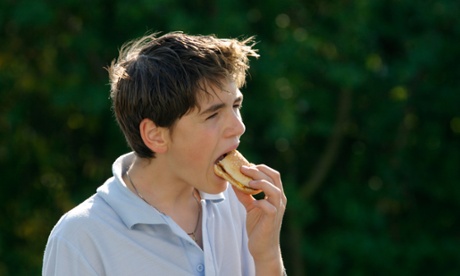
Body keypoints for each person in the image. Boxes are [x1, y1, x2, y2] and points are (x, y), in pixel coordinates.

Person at [42, 31, 287, 276]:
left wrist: (267, 256)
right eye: (212, 115)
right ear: (156, 135)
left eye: (236, 106)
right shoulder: (81, 239)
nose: (239, 126)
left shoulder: (244, 208)